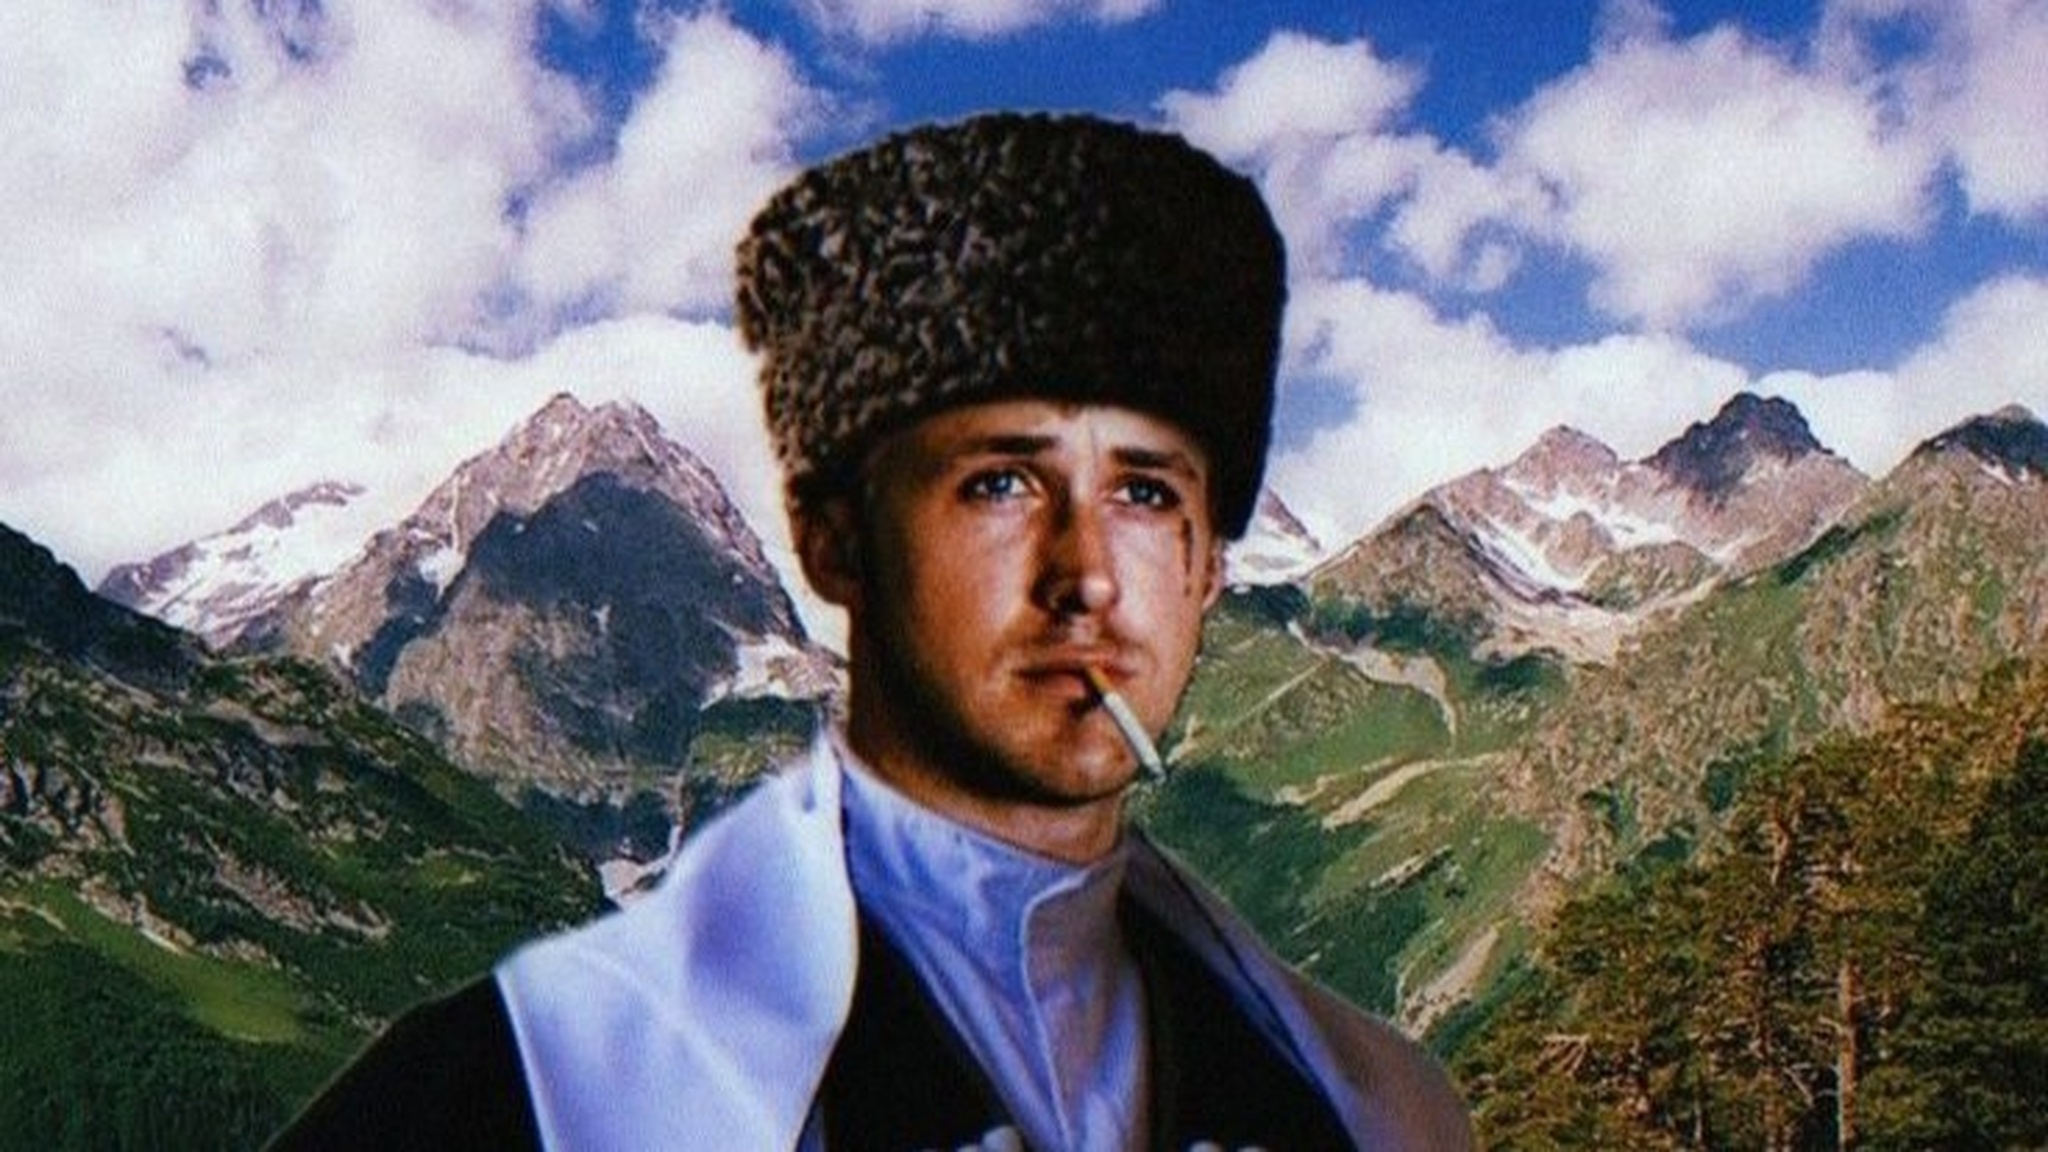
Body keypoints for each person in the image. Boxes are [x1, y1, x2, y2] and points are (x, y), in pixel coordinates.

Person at [269, 111, 1473, 1151]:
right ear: (835, 541)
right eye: (998, 484)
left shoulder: (1379, 1111)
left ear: (1209, 567)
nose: (1085, 577)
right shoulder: (509, 1095)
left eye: (1146, 495)